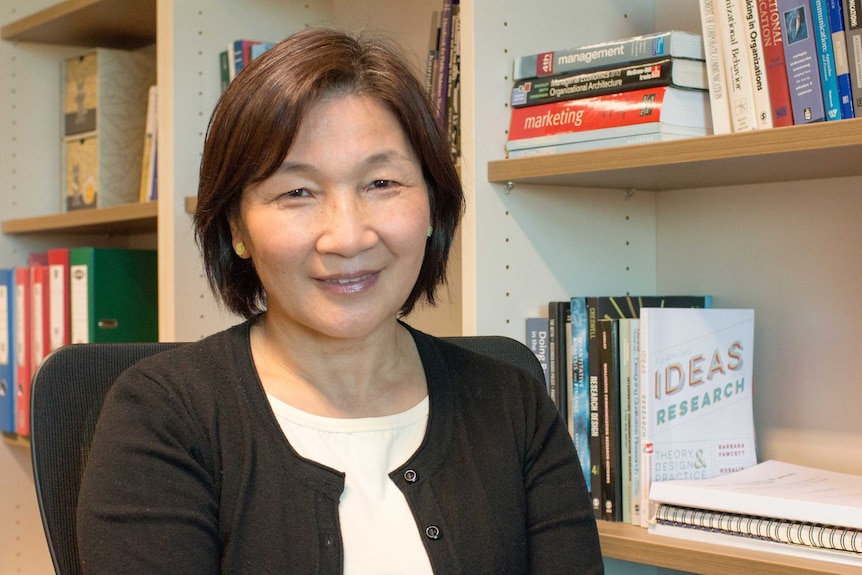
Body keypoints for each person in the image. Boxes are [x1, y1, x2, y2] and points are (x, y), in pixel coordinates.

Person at [76, 27, 603, 574]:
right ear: (236, 227)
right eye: (296, 192)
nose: (348, 237)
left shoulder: (512, 404)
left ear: (432, 206)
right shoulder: (166, 416)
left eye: (381, 183)